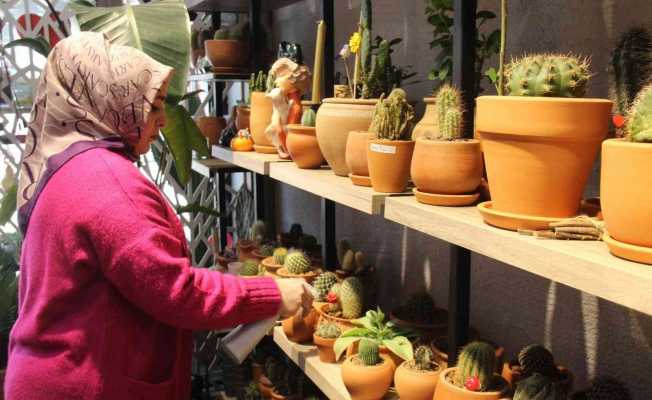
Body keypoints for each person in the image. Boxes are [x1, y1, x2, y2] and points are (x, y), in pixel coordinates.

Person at [4, 32, 313, 400]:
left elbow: (139, 275)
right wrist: (272, 293)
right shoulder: (107, 181)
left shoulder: (69, 165)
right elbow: (175, 292)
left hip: (57, 374)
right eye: (152, 106)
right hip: (84, 383)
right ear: (110, 100)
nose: (163, 121)